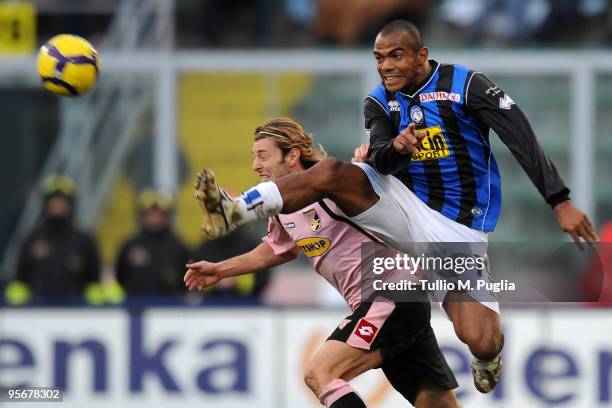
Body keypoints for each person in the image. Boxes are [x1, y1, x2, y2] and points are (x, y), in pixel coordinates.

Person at [191, 21, 599, 395]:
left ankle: (487, 356)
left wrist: (559, 200)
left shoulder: (466, 84)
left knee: (480, 336)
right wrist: (396, 149)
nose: (385, 66)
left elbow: (520, 136)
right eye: (379, 58)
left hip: (457, 228)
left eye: (395, 56)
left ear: (421, 55)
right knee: (333, 170)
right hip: (398, 201)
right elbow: (382, 156)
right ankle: (237, 210)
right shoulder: (379, 100)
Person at [185, 118, 461, 408]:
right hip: (391, 304)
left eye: (263, 155)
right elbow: (278, 249)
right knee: (434, 400)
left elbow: (386, 190)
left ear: (292, 156)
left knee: (321, 374)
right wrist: (219, 270)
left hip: (391, 293)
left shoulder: (332, 185)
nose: (255, 165)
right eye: (254, 156)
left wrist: (374, 159)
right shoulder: (280, 206)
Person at [5, 175, 102, 305]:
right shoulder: (32, 239)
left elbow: (94, 282)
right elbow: (20, 280)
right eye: (53, 201)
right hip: (38, 316)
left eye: (62, 202)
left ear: (70, 205)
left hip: (76, 317)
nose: (57, 205)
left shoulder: (84, 241)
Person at [115, 190, 192, 299]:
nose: (155, 219)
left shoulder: (179, 246)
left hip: (170, 308)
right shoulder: (130, 244)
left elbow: (188, 280)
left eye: (159, 215)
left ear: (167, 216)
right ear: (143, 216)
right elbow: (120, 276)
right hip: (137, 307)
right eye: (150, 214)